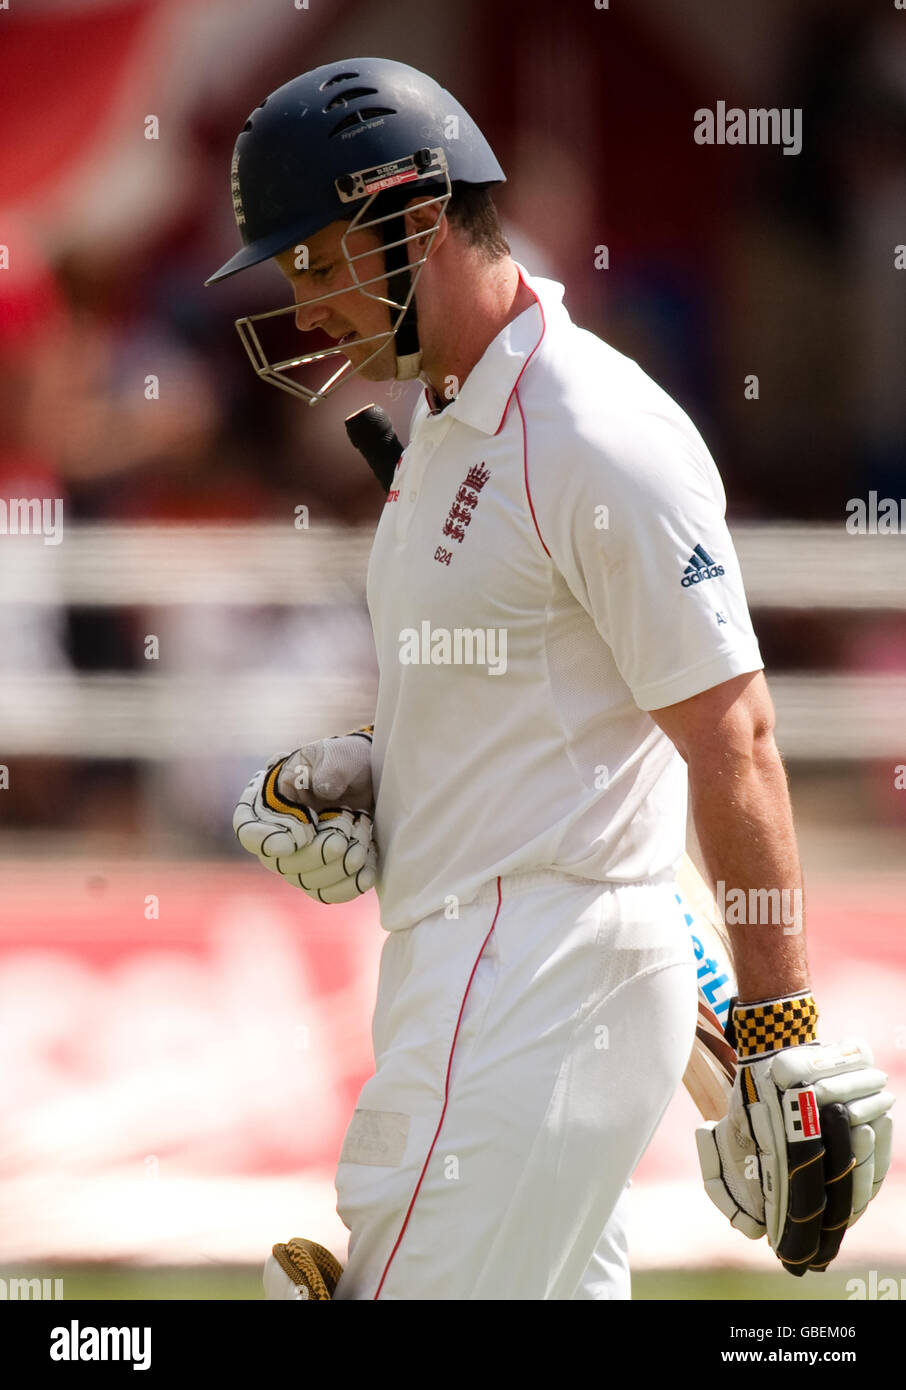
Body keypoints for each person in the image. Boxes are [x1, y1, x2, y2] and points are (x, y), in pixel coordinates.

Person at [208, 58, 893, 1300]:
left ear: (410, 221)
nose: (305, 307)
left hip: (533, 988)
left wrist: (780, 1034)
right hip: (471, 977)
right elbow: (544, 709)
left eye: (315, 262)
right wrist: (370, 775)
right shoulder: (440, 425)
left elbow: (728, 731)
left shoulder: (591, 428)